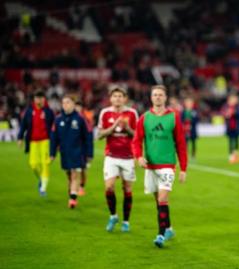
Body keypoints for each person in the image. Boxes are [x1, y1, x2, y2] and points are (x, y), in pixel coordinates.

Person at [132, 85, 187, 248]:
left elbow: (181, 144)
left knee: (163, 198)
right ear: (151, 98)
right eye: (155, 95)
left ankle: (160, 235)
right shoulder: (144, 118)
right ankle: (168, 228)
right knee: (158, 200)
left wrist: (183, 168)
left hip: (167, 165)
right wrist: (139, 156)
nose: (157, 97)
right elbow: (136, 140)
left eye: (160, 95)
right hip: (150, 166)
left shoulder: (174, 117)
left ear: (165, 97)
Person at [97, 85, 138, 232]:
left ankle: (126, 221)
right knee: (109, 187)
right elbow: (100, 135)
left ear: (125, 98)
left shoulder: (132, 113)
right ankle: (113, 215)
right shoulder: (105, 113)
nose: (117, 99)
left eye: (120, 96)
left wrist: (127, 128)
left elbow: (138, 136)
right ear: (110, 99)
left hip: (128, 156)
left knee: (127, 189)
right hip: (111, 156)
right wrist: (113, 126)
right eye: (115, 96)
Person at [50, 95, 93, 208]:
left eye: (68, 102)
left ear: (73, 104)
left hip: (78, 152)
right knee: (69, 176)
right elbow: (53, 138)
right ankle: (72, 191)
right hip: (65, 153)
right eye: (63, 103)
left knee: (75, 175)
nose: (65, 105)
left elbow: (88, 136)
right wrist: (52, 154)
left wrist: (89, 153)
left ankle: (73, 198)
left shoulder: (80, 119)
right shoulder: (58, 119)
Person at [17, 90, 55, 196]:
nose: (38, 100)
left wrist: (56, 142)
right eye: (37, 98)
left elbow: (54, 127)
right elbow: (23, 125)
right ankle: (41, 179)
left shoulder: (49, 112)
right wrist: (20, 138)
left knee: (45, 163)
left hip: (45, 141)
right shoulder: (29, 111)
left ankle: (43, 188)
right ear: (34, 99)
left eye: (40, 98)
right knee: (33, 164)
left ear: (44, 99)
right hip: (33, 142)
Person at [75, 100, 94, 196]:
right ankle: (74, 187)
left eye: (78, 106)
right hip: (72, 148)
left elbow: (89, 136)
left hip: (82, 149)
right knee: (72, 170)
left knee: (82, 169)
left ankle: (81, 186)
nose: (77, 108)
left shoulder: (85, 119)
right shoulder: (70, 118)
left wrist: (90, 153)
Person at [223, 94, 239, 164]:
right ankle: (231, 156)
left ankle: (236, 155)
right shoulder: (226, 107)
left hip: (236, 127)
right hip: (229, 127)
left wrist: (234, 113)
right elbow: (224, 115)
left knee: (237, 141)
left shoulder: (237, 107)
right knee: (230, 141)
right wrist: (226, 115)